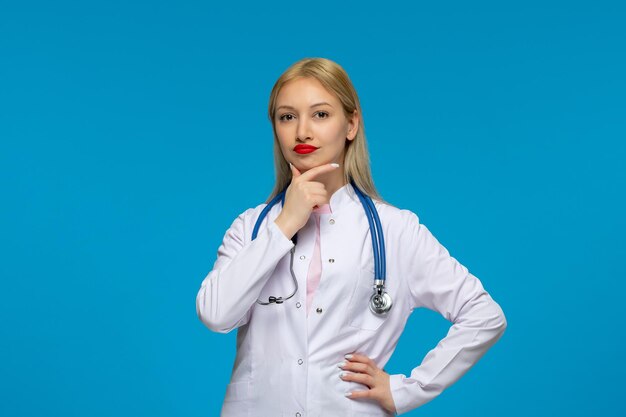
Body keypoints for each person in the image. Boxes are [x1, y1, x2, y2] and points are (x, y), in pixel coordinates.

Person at [196, 57, 507, 417]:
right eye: (287, 117)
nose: (302, 132)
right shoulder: (251, 227)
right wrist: (284, 225)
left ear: (351, 124)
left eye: (321, 114)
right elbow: (215, 314)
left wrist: (407, 390)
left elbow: (484, 315)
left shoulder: (395, 230)